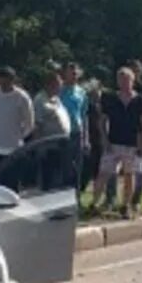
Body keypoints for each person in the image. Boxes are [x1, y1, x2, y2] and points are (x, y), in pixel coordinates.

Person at [92, 67, 142, 218]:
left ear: (132, 81)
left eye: (127, 79)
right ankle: (94, 203)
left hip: (132, 143)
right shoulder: (110, 98)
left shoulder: (140, 100)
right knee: (103, 173)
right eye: (121, 79)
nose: (124, 83)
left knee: (129, 174)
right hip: (113, 142)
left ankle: (125, 205)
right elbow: (102, 120)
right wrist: (104, 139)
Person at [106, 59, 142, 211]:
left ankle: (135, 200)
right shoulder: (118, 91)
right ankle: (111, 198)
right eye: (132, 69)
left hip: (139, 135)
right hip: (119, 135)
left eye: (137, 70)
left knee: (137, 170)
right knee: (112, 169)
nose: (134, 73)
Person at [0, 66, 35, 185]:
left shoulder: (22, 97)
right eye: (1, 80)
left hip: (14, 148)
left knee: (12, 181)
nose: (3, 83)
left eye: (7, 80)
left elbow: (30, 123)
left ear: (12, 80)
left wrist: (20, 137)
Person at [32, 69, 72, 189]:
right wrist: (39, 147)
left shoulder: (56, 99)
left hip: (61, 144)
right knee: (48, 176)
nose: (61, 87)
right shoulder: (40, 100)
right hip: (48, 145)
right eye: (59, 85)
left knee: (58, 175)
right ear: (50, 84)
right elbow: (37, 125)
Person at [59, 62, 90, 191]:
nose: (73, 75)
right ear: (65, 74)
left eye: (75, 72)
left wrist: (86, 138)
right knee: (64, 164)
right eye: (70, 72)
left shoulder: (81, 92)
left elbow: (84, 115)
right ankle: (62, 190)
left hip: (77, 131)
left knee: (78, 165)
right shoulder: (59, 90)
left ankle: (75, 192)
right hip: (61, 132)